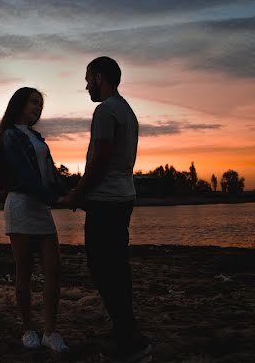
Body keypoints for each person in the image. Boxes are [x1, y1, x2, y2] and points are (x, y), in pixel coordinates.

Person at [59, 57, 153, 362]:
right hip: (122, 198)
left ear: (99, 77)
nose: (86, 85)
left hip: (106, 202)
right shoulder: (127, 110)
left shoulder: (105, 110)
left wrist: (76, 193)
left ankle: (131, 341)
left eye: (88, 79)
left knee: (103, 270)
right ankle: (125, 328)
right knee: (117, 268)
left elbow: (99, 160)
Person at [0, 87, 70, 353]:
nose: (38, 108)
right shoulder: (11, 135)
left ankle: (50, 331)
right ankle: (28, 329)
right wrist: (53, 199)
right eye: (34, 102)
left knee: (53, 269)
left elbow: (50, 175)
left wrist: (71, 195)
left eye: (40, 104)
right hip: (22, 205)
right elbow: (25, 176)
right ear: (20, 104)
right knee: (24, 270)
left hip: (41, 207)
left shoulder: (36, 138)